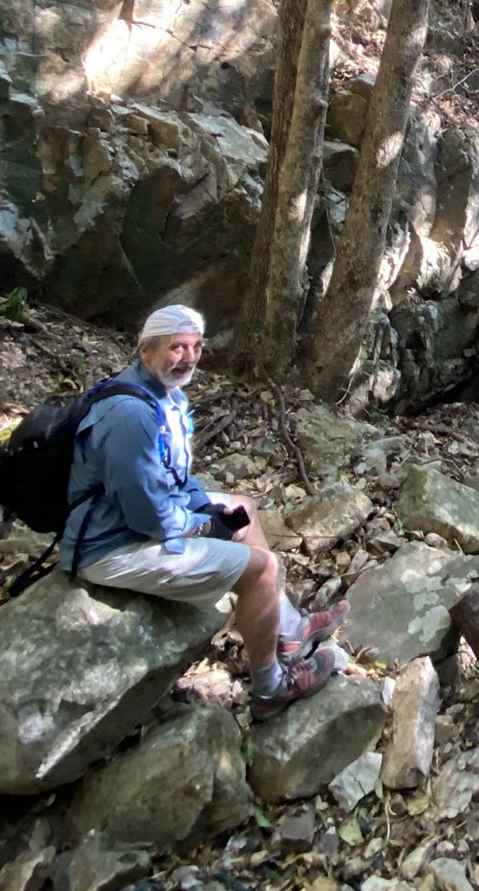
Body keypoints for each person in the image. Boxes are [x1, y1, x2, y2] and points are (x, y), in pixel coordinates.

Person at [59, 303, 347, 715]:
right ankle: (272, 686)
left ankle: (288, 630)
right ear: (146, 351)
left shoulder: (163, 396)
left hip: (130, 524)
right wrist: (201, 526)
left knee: (243, 507)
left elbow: (177, 478)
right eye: (177, 347)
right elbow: (149, 517)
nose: (188, 358)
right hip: (110, 547)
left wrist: (211, 514)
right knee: (261, 569)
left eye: (195, 347)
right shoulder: (131, 415)